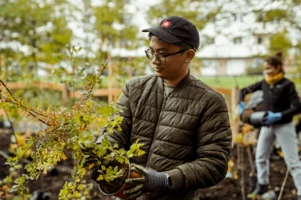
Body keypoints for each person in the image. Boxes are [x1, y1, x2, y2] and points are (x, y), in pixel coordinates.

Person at [87, 16, 232, 200]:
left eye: (163, 54)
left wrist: (165, 180)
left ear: (188, 55)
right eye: (151, 52)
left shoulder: (209, 102)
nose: (154, 60)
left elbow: (215, 163)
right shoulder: (135, 89)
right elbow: (116, 132)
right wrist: (102, 149)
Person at [238, 51, 301, 200]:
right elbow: (243, 90)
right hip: (267, 125)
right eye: (265, 69)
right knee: (260, 156)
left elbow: (298, 107)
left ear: (278, 67)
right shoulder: (265, 83)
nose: (266, 72)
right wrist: (241, 104)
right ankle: (262, 186)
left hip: (284, 125)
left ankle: (300, 191)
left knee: (291, 160)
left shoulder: (287, 85)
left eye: (269, 68)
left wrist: (280, 115)